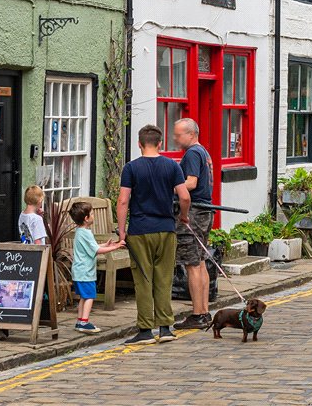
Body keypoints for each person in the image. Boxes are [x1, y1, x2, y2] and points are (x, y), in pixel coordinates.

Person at [116, 124, 190, 346]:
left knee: (143, 280)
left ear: (139, 144)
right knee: (164, 278)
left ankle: (146, 330)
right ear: (160, 143)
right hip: (166, 229)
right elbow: (184, 196)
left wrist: (122, 231)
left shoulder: (131, 168)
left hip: (139, 229)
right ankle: (166, 328)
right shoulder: (172, 166)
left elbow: (122, 201)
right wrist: (183, 217)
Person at [171, 118, 215, 330]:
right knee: (200, 261)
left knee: (192, 264)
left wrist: (167, 186)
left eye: (178, 135)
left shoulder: (192, 153)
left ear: (191, 134)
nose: (175, 138)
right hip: (205, 211)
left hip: (195, 213)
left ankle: (197, 314)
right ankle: (205, 312)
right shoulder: (203, 152)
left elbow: (191, 182)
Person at [67, 201, 123, 334]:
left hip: (79, 271)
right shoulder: (86, 233)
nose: (93, 215)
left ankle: (80, 320)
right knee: (90, 296)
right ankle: (84, 323)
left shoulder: (80, 231)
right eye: (92, 214)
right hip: (85, 272)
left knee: (84, 297)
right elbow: (96, 250)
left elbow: (93, 247)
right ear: (86, 218)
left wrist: (106, 244)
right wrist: (114, 247)